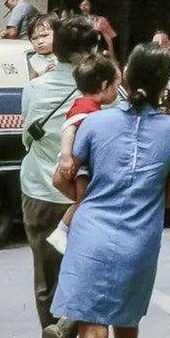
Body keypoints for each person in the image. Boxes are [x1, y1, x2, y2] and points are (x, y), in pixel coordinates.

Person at [47, 43, 170, 338]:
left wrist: (86, 194)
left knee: (91, 336)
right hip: (139, 242)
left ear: (125, 75)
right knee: (127, 330)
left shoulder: (95, 124)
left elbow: (60, 180)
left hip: (89, 236)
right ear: (164, 83)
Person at [19, 14, 102, 338]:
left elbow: (26, 137)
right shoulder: (102, 93)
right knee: (90, 274)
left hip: (38, 189)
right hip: (87, 196)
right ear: (92, 52)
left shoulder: (34, 89)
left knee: (46, 276)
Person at [45, 52, 122, 255]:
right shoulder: (86, 108)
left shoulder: (88, 106)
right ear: (105, 85)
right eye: (116, 86)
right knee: (84, 203)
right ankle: (61, 231)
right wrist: (67, 156)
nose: (117, 92)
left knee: (84, 201)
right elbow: (68, 129)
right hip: (80, 166)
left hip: (80, 164)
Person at [26, 11, 60, 78]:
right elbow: (32, 85)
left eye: (44, 35)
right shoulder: (34, 62)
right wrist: (45, 77)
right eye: (34, 38)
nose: (40, 41)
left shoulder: (66, 56)